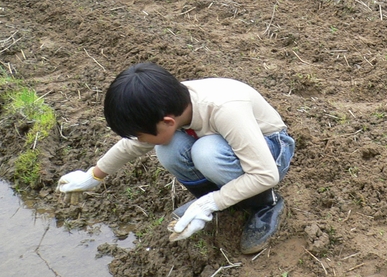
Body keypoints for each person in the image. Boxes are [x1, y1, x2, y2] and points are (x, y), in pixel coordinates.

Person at [57, 63, 295, 254]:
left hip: (271, 150)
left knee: (206, 152)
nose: (140, 140)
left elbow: (265, 174)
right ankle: (224, 199)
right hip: (228, 147)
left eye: (141, 134)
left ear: (168, 122)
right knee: (169, 149)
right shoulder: (165, 103)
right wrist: (94, 176)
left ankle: (265, 204)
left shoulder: (224, 109)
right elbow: (132, 146)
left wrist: (210, 203)